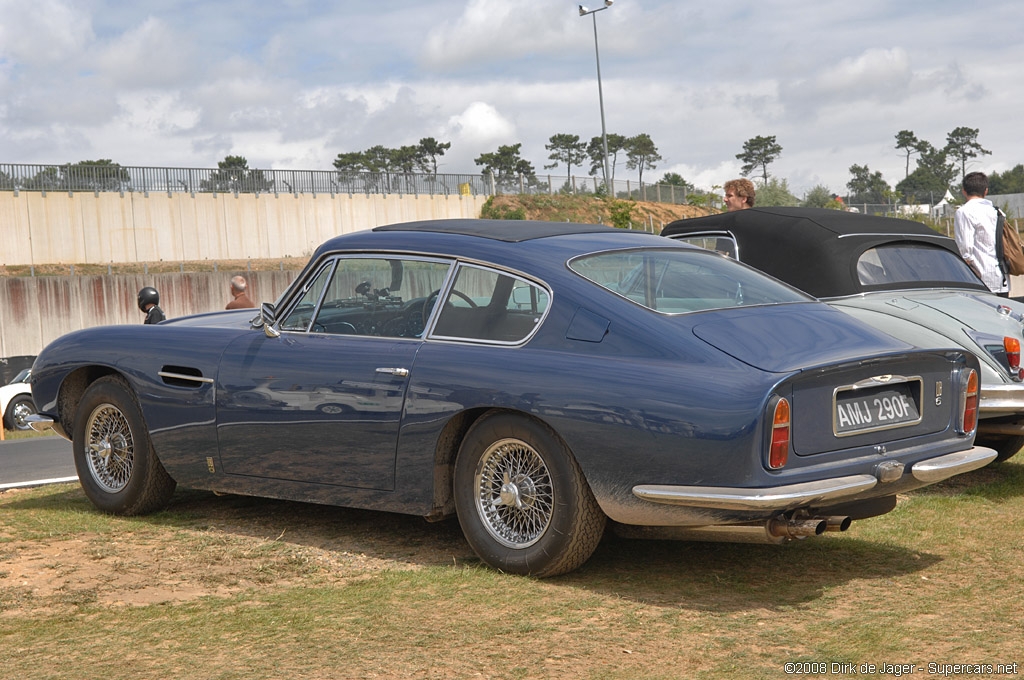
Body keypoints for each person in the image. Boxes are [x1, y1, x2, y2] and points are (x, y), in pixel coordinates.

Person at [954, 171, 1009, 296]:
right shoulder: (998, 212)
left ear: (964, 191)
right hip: (1002, 279)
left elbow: (965, 250)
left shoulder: (964, 212)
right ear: (985, 191)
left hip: (979, 280)